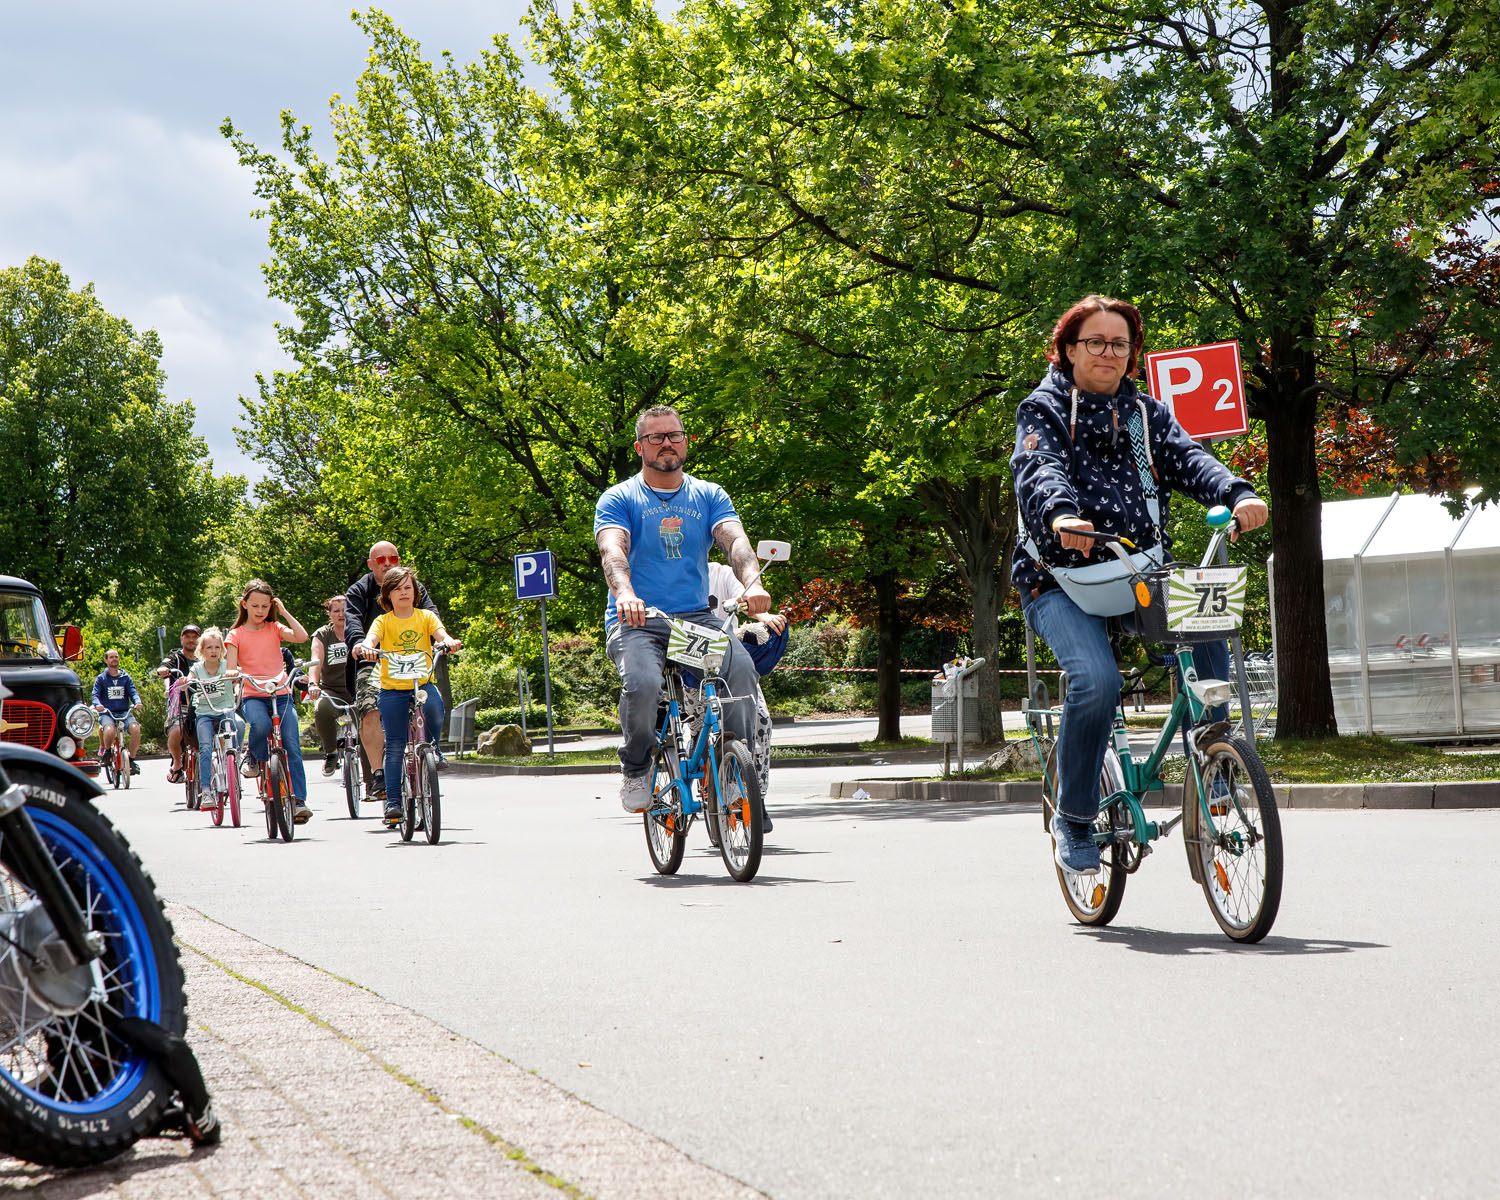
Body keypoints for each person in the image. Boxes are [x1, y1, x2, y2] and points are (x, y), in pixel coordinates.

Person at [1011, 294, 1268, 877]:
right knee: (1096, 681)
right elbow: (1039, 469)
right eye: (1095, 342)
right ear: (1068, 349)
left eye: (1120, 344)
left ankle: (1215, 761)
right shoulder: (1042, 409)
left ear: (1132, 354)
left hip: (1137, 569)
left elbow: (1190, 459)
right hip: (1059, 578)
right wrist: (1061, 514)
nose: (1108, 352)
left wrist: (1237, 493)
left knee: (1206, 613)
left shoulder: (1146, 414)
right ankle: (1075, 819)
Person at [594, 405, 771, 817]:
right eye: (656, 437)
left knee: (740, 670)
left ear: (685, 442)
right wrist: (625, 594)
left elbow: (735, 541)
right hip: (639, 621)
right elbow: (612, 550)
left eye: (674, 435)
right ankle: (636, 768)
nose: (667, 443)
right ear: (640, 447)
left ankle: (732, 768)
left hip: (692, 620)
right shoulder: (619, 497)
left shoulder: (708, 494)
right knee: (642, 683)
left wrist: (753, 584)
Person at [353, 566, 461, 823]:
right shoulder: (383, 621)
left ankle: (433, 748)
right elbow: (371, 639)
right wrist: (366, 647)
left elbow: (441, 634)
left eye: (408, 588)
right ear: (388, 595)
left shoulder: (426, 617)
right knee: (394, 745)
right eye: (397, 589)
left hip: (421, 684)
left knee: (435, 707)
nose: (403, 592)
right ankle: (393, 803)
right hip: (393, 688)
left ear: (415, 592)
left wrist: (448, 642)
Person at [344, 542, 442, 805]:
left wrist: (442, 640)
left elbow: (431, 614)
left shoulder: (413, 587)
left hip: (413, 660)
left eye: (393, 558)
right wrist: (360, 645)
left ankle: (429, 750)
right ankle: (379, 774)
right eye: (381, 559)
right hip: (375, 660)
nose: (387, 563)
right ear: (371, 565)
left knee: (431, 700)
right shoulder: (359, 591)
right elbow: (353, 622)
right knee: (371, 708)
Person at [704, 560, 790, 828]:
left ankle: (755, 794)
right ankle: (706, 787)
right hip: (691, 660)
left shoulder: (721, 573)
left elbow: (747, 598)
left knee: (761, 721)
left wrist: (765, 616)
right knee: (697, 729)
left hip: (729, 660)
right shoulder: (668, 573)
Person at [224, 580, 313, 824]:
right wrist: (233, 673)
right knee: (261, 725)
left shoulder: (274, 628)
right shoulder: (235, 635)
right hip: (253, 694)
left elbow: (302, 636)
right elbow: (231, 667)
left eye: (265, 606)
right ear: (244, 604)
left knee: (292, 745)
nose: (260, 611)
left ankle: (299, 801)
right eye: (255, 606)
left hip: (281, 694)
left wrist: (283, 612)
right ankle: (254, 755)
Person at [309, 595, 370, 784]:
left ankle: (372, 778)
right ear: (329, 614)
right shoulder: (322, 634)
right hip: (333, 690)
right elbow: (316, 660)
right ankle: (331, 753)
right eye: (336, 611)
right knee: (322, 709)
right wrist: (313, 683)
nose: (341, 614)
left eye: (345, 610)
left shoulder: (360, 630)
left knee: (368, 724)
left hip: (359, 688)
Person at [188, 627, 243, 801]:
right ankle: (206, 790)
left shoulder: (228, 667)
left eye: (217, 647)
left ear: (222, 650)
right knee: (205, 748)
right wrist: (185, 681)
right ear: (202, 650)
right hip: (204, 713)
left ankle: (234, 756)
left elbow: (238, 675)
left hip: (225, 710)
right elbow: (189, 678)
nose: (213, 651)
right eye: (209, 647)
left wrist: (239, 680)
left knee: (240, 725)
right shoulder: (197, 668)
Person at [157, 624, 201, 783]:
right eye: (187, 636)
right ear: (182, 639)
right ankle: (177, 763)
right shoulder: (175, 657)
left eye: (194, 637)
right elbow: (164, 665)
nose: (191, 640)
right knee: (176, 730)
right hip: (181, 706)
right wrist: (163, 669)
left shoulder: (205, 657)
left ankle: (223, 768)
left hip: (203, 704)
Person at [91, 648, 143, 772]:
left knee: (136, 729)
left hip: (124, 712)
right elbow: (95, 695)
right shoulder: (101, 678)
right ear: (106, 660)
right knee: (109, 730)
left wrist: (137, 702)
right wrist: (98, 704)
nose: (114, 659)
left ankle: (131, 760)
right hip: (107, 713)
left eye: (116, 657)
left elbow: (133, 692)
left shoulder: (125, 677)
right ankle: (107, 752)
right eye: (111, 657)